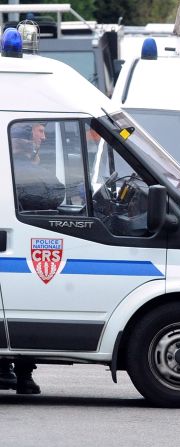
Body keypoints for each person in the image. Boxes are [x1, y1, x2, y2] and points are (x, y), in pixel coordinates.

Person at [0, 123, 64, 395]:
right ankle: (22, 375)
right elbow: (57, 193)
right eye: (40, 131)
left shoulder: (14, 165)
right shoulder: (26, 168)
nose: (44, 136)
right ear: (25, 138)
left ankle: (8, 371)